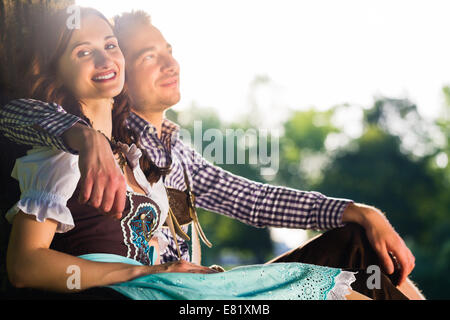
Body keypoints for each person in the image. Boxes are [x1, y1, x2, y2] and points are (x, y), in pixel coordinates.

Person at [0, 8, 423, 299]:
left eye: (169, 51)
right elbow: (15, 112)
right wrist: (80, 135)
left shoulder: (159, 150)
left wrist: (355, 209)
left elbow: (254, 200)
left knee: (357, 243)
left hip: (187, 288)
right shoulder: (84, 136)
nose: (171, 64)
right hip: (156, 290)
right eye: (149, 56)